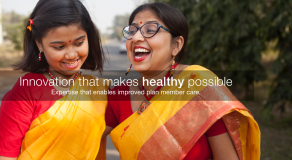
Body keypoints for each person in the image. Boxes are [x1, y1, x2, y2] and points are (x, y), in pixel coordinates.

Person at [103, 2, 260, 160]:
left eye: (150, 30)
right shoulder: (118, 95)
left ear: (176, 45)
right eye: (132, 30)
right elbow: (83, 136)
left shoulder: (199, 88)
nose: (136, 37)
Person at [0, 0, 108, 159]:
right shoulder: (24, 94)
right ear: (39, 44)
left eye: (79, 43)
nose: (71, 55)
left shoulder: (99, 90)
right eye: (59, 47)